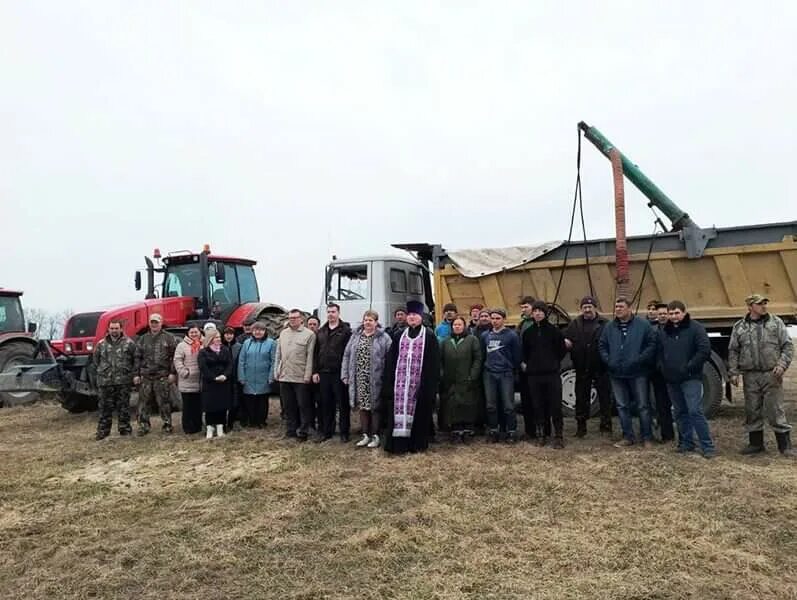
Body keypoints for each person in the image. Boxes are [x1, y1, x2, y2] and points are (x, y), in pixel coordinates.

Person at [729, 294, 795, 457]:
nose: (764, 306)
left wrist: (781, 365)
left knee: (775, 410)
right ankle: (756, 444)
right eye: (759, 304)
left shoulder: (776, 323)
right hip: (750, 376)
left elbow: (787, 346)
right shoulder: (740, 327)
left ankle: (785, 446)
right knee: (752, 409)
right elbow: (733, 350)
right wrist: (734, 372)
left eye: (765, 303)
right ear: (750, 307)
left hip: (771, 374)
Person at [657, 300, 715, 458]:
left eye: (677, 313)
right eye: (671, 313)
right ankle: (686, 443)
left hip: (691, 378)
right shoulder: (664, 331)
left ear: (683, 312)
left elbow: (704, 350)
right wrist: (664, 368)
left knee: (695, 411)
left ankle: (707, 446)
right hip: (672, 379)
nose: (674, 316)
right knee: (680, 412)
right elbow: (659, 352)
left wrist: (689, 366)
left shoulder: (696, 328)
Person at [383, 301, 440, 454]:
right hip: (400, 385)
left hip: (419, 383)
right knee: (397, 413)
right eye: (410, 315)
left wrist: (429, 386)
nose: (412, 317)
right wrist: (389, 381)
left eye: (415, 315)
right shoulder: (398, 335)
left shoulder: (429, 336)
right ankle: (398, 445)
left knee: (419, 413)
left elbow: (434, 363)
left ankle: (416, 444)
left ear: (421, 317)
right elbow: (391, 360)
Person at [598, 297, 656, 448]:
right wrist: (609, 360)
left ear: (630, 308)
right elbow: (602, 345)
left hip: (638, 372)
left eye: (621, 307)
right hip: (616, 373)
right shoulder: (610, 327)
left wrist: (639, 359)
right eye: (616, 306)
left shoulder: (643, 325)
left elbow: (651, 344)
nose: (617, 309)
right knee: (622, 406)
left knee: (642, 405)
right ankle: (627, 436)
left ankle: (647, 437)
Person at [341, 310, 392, 448]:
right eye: (365, 320)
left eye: (370, 320)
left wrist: (387, 378)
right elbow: (346, 355)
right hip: (359, 377)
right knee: (363, 407)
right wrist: (345, 374)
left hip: (376, 378)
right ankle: (365, 435)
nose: (367, 322)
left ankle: (375, 436)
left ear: (376, 322)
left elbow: (390, 358)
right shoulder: (355, 336)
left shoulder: (384, 338)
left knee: (375, 407)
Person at [564, 296, 612, 437]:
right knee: (581, 399)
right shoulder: (575, 324)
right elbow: (566, 340)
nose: (587, 310)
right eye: (584, 307)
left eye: (590, 307)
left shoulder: (605, 324)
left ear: (595, 308)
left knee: (605, 398)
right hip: (581, 367)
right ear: (581, 309)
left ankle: (606, 427)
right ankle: (581, 428)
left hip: (601, 367)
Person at [522, 301, 567, 448]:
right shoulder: (528, 333)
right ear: (532, 313)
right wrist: (529, 365)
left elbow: (561, 350)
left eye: (540, 311)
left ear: (545, 313)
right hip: (534, 376)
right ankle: (542, 434)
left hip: (551, 374)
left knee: (555, 406)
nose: (537, 313)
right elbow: (525, 353)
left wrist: (552, 362)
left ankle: (558, 436)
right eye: (535, 311)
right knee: (538, 405)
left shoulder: (554, 331)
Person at [274, 309, 316, 441]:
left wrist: (307, 375)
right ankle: (291, 430)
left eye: (295, 318)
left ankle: (303, 431)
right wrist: (276, 371)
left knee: (303, 405)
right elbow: (278, 355)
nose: (292, 320)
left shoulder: (309, 335)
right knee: (288, 405)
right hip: (285, 376)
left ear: (301, 319)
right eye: (290, 318)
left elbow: (310, 357)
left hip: (300, 376)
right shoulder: (283, 333)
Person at [313, 304, 352, 442]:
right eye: (328, 312)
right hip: (323, 373)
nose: (330, 314)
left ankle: (344, 432)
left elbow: (349, 354)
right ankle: (326, 431)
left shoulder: (346, 331)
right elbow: (316, 353)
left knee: (342, 404)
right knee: (325, 403)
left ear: (338, 313)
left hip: (339, 373)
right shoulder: (321, 331)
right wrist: (315, 371)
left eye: (333, 312)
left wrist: (346, 373)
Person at [481, 308, 522, 443]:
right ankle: (494, 430)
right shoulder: (485, 335)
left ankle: (511, 431)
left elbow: (517, 356)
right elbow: (482, 354)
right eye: (493, 318)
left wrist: (513, 371)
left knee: (508, 405)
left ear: (504, 319)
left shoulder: (511, 335)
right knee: (491, 405)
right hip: (489, 374)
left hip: (505, 373)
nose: (494, 321)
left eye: (498, 318)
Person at [134, 313, 178, 435]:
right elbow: (137, 357)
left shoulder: (169, 338)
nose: (154, 324)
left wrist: (172, 373)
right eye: (152, 322)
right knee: (143, 403)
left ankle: (167, 425)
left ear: (161, 323)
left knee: (164, 402)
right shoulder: (142, 339)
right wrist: (136, 374)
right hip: (146, 376)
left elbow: (174, 356)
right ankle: (143, 426)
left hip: (162, 375)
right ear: (149, 323)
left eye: (156, 322)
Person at [440, 316, 483, 443]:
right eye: (454, 325)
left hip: (467, 378)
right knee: (453, 404)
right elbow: (440, 360)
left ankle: (468, 429)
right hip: (451, 379)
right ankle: (456, 429)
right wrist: (442, 374)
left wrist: (473, 375)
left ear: (464, 326)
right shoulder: (446, 341)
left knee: (468, 403)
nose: (457, 327)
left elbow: (478, 358)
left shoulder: (472, 340)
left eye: (459, 324)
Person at [93, 319, 136, 440]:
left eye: (116, 328)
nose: (114, 330)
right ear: (108, 329)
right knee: (104, 409)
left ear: (121, 329)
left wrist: (129, 374)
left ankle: (125, 430)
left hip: (123, 382)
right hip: (105, 382)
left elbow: (135, 360)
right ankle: (103, 432)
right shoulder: (101, 344)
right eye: (112, 328)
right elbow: (95, 361)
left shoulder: (129, 343)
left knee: (124, 408)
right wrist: (104, 372)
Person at [237, 321, 277, 428]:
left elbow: (274, 361)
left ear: (265, 331)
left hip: (263, 377)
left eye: (261, 330)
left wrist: (271, 376)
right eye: (255, 330)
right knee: (250, 400)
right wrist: (241, 376)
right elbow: (241, 360)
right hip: (249, 376)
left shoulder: (271, 343)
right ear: (252, 331)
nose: (258, 332)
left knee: (262, 400)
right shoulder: (246, 343)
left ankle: (261, 421)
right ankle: (251, 420)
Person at [198, 328, 233, 439]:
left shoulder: (225, 350)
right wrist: (213, 378)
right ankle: (209, 427)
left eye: (219, 337)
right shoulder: (203, 352)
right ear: (210, 339)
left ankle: (220, 426)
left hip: (223, 382)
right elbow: (203, 367)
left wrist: (225, 375)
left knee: (222, 406)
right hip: (210, 383)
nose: (218, 339)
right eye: (216, 337)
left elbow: (230, 364)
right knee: (210, 406)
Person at [517, 295, 543, 441]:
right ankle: (529, 431)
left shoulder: (536, 324)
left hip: (535, 369)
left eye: (526, 307)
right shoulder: (522, 324)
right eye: (522, 307)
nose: (524, 310)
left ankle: (540, 429)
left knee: (537, 400)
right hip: (524, 367)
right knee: (526, 400)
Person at [650, 302, 675, 443]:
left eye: (665, 313)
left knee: (676, 403)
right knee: (661, 404)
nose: (663, 316)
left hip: (673, 372)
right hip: (657, 373)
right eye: (660, 314)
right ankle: (667, 435)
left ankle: (683, 435)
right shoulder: (652, 330)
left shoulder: (676, 329)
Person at [173, 325, 203, 434]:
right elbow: (177, 360)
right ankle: (188, 427)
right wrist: (184, 372)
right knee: (188, 406)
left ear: (199, 333)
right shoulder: (182, 346)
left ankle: (198, 426)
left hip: (199, 381)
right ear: (188, 334)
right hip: (187, 380)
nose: (194, 334)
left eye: (196, 332)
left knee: (198, 405)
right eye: (192, 332)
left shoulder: (203, 344)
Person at [222, 326, 242, 431]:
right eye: (226, 334)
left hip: (235, 377)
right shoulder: (220, 346)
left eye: (231, 334)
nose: (228, 336)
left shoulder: (239, 347)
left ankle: (231, 422)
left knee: (235, 401)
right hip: (224, 378)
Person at [306, 315, 322, 432]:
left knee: (320, 401)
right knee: (308, 401)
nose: (312, 326)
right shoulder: (304, 337)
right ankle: (310, 424)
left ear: (318, 326)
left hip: (319, 374)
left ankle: (321, 424)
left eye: (314, 324)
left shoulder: (321, 338)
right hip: (306, 374)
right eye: (310, 324)